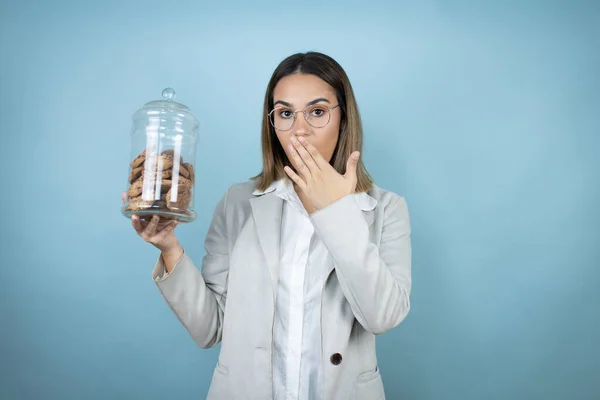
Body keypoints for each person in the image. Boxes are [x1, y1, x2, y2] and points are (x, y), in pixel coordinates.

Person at [124, 51, 412, 400]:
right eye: (286, 113)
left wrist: (337, 209)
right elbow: (209, 328)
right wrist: (168, 247)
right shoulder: (238, 202)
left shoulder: (387, 209)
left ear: (344, 119)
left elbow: (381, 316)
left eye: (317, 112)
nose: (300, 129)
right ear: (271, 123)